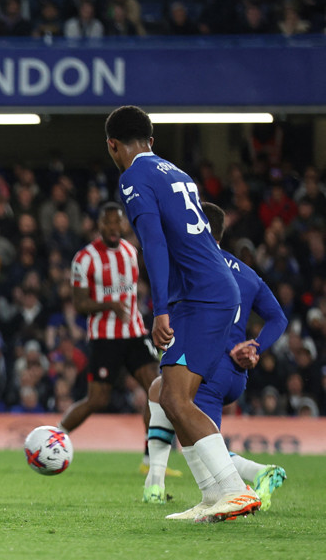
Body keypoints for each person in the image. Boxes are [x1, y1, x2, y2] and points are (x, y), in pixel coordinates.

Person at [106, 105, 257, 524]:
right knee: (169, 397)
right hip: (207, 291)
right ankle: (213, 497)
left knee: (174, 397)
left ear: (112, 145)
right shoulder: (178, 173)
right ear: (151, 141)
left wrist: (160, 309)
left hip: (200, 297)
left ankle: (232, 490)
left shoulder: (133, 177)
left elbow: (152, 243)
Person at [143, 202, 288, 508]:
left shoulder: (191, 263)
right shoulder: (246, 273)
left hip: (207, 364)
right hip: (235, 372)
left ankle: (254, 476)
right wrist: (256, 346)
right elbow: (278, 318)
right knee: (160, 391)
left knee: (199, 439)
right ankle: (154, 482)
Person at [59, 201, 167, 472]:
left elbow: (133, 290)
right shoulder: (84, 259)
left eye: (117, 222)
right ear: (99, 225)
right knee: (97, 400)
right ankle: (55, 437)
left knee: (157, 389)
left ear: (123, 224)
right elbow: (80, 304)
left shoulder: (131, 252)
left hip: (134, 333)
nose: (112, 228)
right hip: (104, 338)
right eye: (107, 223)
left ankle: (150, 461)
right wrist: (109, 304)